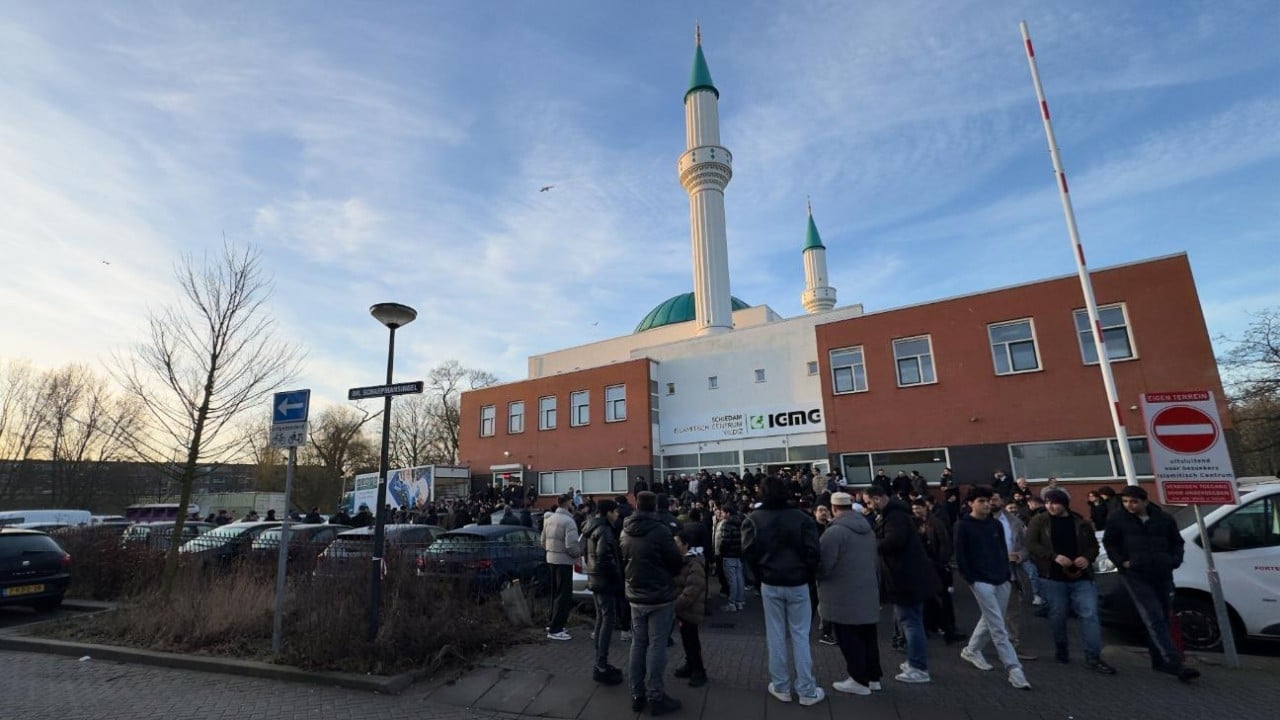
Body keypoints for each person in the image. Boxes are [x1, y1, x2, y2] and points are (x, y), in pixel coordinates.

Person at [742, 475, 825, 706]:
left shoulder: (754, 519)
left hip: (770, 582)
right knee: (800, 636)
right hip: (798, 583)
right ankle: (807, 690)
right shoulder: (802, 518)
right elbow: (813, 551)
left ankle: (781, 686)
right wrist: (807, 575)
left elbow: (748, 552)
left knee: (775, 635)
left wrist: (759, 578)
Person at [1102, 486, 1198, 682]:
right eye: (1126, 501)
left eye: (1133, 501)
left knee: (1163, 614)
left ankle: (1160, 661)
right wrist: (1122, 562)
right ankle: (1174, 662)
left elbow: (1176, 541)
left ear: (1145, 501)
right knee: (1152, 614)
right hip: (1135, 574)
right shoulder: (1118, 519)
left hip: (1162, 572)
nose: (1129, 505)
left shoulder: (1163, 519)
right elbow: (1110, 543)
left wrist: (1174, 560)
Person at [1026, 489, 1116, 674]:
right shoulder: (1040, 521)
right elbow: (1032, 544)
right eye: (1048, 502)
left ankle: (1093, 657)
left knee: (1090, 614)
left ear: (1065, 504)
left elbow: (1093, 546)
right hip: (1053, 576)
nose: (1051, 506)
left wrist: (1086, 557)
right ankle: (1061, 649)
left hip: (1082, 576)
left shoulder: (1080, 522)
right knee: (1058, 615)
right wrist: (1053, 556)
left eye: (1055, 503)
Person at [953, 486, 1031, 690]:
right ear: (971, 503)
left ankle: (972, 649)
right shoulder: (963, 526)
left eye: (988, 501)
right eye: (981, 501)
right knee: (997, 624)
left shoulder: (995, 525)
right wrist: (971, 579)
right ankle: (1014, 669)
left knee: (991, 617)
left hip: (1001, 578)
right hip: (981, 580)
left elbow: (1000, 551)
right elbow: (961, 555)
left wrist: (1005, 574)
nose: (987, 504)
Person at [865, 485, 939, 684]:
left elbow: (893, 542)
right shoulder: (897, 515)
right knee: (912, 620)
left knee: (910, 621)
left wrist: (872, 543)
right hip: (908, 577)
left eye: (869, 502)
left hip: (905, 578)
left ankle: (918, 666)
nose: (868, 506)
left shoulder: (894, 517)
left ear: (878, 498)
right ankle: (915, 661)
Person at [620, 491, 684, 715]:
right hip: (659, 597)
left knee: (638, 644)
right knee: (657, 645)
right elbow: (676, 563)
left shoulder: (624, 530)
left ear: (637, 505)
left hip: (635, 596)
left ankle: (637, 693)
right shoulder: (660, 531)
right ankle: (655, 695)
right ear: (655, 507)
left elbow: (622, 561)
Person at [817, 492, 882, 696]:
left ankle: (858, 680)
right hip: (867, 590)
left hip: (842, 594)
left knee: (848, 637)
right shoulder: (868, 530)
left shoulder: (834, 533)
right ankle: (873, 678)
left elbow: (824, 566)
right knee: (868, 636)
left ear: (834, 508)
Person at [583, 500, 624, 685]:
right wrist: (617, 578)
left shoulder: (591, 528)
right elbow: (604, 559)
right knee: (607, 619)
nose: (617, 516)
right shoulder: (605, 531)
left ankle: (600, 663)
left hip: (595, 580)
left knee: (601, 618)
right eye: (615, 512)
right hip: (605, 582)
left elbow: (589, 556)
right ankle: (601, 665)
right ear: (608, 512)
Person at [540, 493, 581, 641]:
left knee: (554, 592)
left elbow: (542, 541)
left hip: (551, 558)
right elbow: (572, 545)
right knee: (564, 594)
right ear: (568, 503)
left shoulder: (549, 519)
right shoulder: (569, 521)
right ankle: (556, 628)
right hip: (564, 560)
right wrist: (578, 556)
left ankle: (552, 622)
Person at [673, 529, 708, 687]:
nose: (675, 545)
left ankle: (699, 671)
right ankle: (691, 665)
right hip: (684, 609)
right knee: (687, 640)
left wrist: (676, 604)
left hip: (690, 609)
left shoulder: (695, 563)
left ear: (686, 545)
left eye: (677, 542)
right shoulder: (684, 560)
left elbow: (693, 589)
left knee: (692, 641)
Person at [714, 504, 745, 612]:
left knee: (732, 580)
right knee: (739, 578)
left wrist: (721, 552)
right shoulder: (740, 523)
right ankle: (740, 601)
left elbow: (725, 541)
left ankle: (732, 603)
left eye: (723, 512)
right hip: (738, 554)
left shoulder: (727, 525)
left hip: (728, 555)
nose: (721, 514)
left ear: (728, 513)